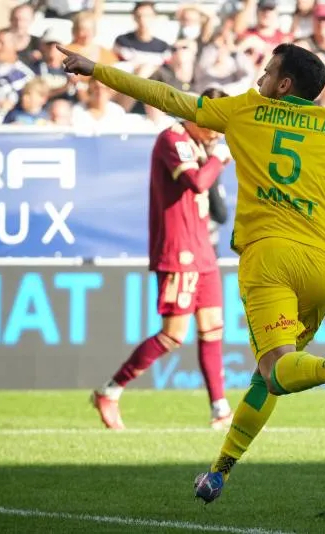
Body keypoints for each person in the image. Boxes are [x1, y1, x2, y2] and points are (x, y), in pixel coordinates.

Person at [58, 42, 325, 503]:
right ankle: (220, 471)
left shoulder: (246, 110)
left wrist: (96, 69)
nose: (258, 79)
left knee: (277, 368)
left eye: (266, 72)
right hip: (322, 266)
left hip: (269, 259)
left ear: (283, 85)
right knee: (270, 376)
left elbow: (167, 97)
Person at [90, 87, 236, 432]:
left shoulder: (201, 143)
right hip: (178, 249)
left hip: (203, 249)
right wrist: (219, 159)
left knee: (213, 328)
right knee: (173, 335)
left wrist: (214, 156)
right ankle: (110, 391)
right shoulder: (173, 139)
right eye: (214, 126)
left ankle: (220, 410)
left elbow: (213, 201)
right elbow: (196, 182)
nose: (217, 135)